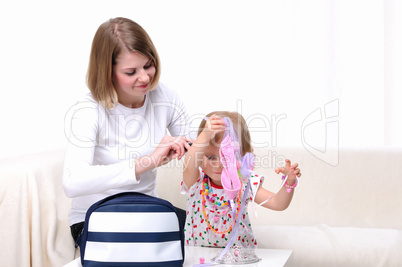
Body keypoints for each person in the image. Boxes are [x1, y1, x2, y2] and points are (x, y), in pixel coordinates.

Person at [63, 17, 192, 244]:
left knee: (209, 233)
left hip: (147, 211)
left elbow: (193, 151)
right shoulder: (88, 109)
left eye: (148, 65)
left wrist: (204, 143)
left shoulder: (165, 96)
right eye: (131, 72)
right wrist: (148, 161)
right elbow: (72, 182)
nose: (144, 77)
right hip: (95, 218)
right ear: (107, 72)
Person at [181, 111, 301, 248]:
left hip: (239, 258)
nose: (218, 164)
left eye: (228, 157)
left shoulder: (245, 183)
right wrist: (204, 136)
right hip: (198, 257)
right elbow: (189, 162)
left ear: (243, 156)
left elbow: (278, 203)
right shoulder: (196, 182)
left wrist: (289, 183)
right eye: (211, 157)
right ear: (200, 155)